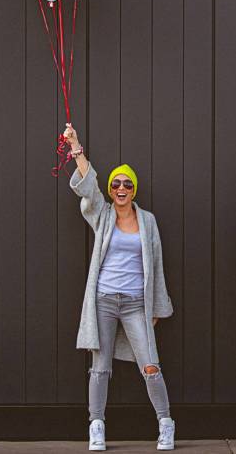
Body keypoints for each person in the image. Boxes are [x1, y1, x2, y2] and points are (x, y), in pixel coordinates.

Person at [63, 123, 175, 451]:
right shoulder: (103, 215)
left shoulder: (148, 221)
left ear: (134, 189)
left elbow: (157, 266)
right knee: (100, 367)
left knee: (150, 364)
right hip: (103, 301)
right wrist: (75, 146)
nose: (121, 187)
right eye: (117, 183)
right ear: (112, 190)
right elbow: (89, 187)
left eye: (127, 183)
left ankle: (166, 423)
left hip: (136, 302)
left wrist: (156, 306)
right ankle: (96, 426)